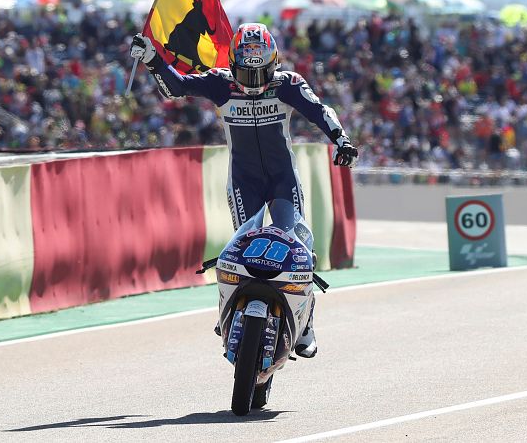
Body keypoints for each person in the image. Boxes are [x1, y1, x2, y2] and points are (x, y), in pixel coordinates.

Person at [131, 22, 358, 358]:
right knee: (241, 249)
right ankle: (227, 312)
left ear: (275, 64)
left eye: (261, 73)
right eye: (245, 74)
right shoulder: (221, 83)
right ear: (233, 64)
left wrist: (342, 140)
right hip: (243, 181)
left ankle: (306, 322)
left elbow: (320, 111)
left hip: (282, 179)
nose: (253, 84)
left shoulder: (289, 84)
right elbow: (175, 87)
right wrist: (152, 59)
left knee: (299, 246)